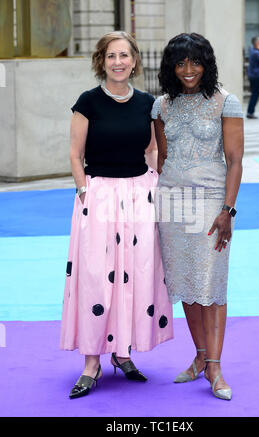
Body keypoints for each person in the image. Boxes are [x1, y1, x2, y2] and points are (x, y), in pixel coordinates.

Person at [60, 31, 173, 399]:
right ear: (102, 61)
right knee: (96, 277)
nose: (119, 62)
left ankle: (123, 353)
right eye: (111, 56)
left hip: (140, 196)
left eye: (125, 55)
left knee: (135, 274)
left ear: (135, 60)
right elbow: (76, 154)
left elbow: (153, 150)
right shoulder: (88, 102)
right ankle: (91, 362)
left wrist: (161, 190)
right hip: (100, 196)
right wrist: (83, 192)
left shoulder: (147, 103)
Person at [152, 33, 244, 400]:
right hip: (172, 201)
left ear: (207, 63)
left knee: (211, 283)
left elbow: (235, 160)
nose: (188, 70)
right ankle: (201, 357)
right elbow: (162, 159)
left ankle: (217, 369)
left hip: (210, 200)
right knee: (187, 282)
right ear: (170, 68)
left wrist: (227, 209)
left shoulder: (226, 102)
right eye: (180, 63)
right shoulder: (160, 106)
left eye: (195, 62)